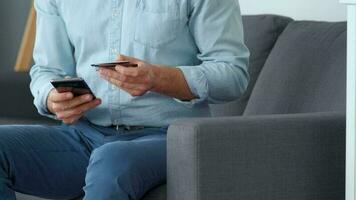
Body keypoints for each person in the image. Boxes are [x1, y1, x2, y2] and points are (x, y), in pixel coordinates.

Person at [0, 0, 249, 199]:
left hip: (170, 136)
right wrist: (52, 97)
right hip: (84, 135)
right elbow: (47, 70)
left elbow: (233, 73)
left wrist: (160, 78)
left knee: (112, 159)